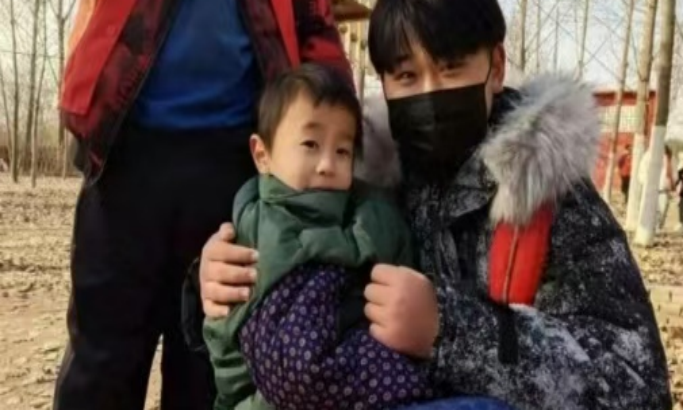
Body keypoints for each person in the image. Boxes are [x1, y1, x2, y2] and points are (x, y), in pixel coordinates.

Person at [194, 0, 672, 409]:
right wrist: (216, 278)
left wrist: (449, 331)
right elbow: (283, 263)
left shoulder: (550, 194)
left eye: (450, 67)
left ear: (496, 66)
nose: (428, 91)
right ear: (384, 82)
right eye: (406, 75)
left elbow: (637, 383)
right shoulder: (356, 176)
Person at [53, 1, 350, 410]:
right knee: (102, 360)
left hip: (235, 166)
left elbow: (315, 26)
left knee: (208, 359)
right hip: (124, 153)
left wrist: (339, 138)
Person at [206, 63, 443, 410]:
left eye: (342, 151)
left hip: (366, 384)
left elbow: (402, 290)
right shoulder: (248, 226)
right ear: (262, 155)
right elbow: (224, 332)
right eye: (310, 144)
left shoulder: (374, 217)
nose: (327, 164)